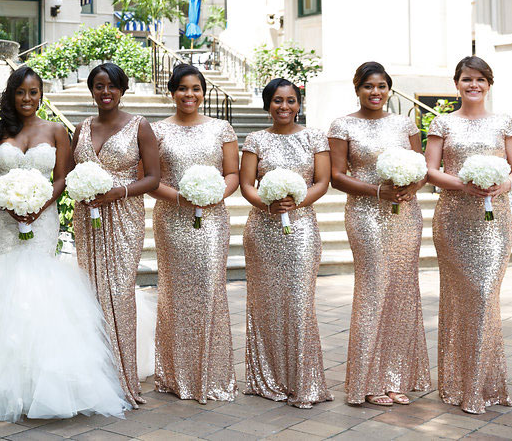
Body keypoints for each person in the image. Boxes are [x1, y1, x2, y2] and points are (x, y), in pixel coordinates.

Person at [0, 66, 130, 421]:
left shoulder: (55, 131)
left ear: (41, 95)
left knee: (40, 287)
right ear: (11, 94)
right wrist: (6, 201)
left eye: (33, 93)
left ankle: (43, 387)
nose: (27, 99)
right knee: (0, 287)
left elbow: (62, 178)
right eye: (20, 92)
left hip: (43, 217)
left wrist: (38, 206)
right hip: (1, 221)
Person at [425, 56, 512, 414]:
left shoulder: (504, 123)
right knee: (457, 300)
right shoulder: (442, 123)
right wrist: (464, 186)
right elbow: (430, 171)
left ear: (488, 84)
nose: (474, 85)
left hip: (493, 221)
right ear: (457, 84)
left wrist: (502, 186)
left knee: (485, 296)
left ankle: (482, 385)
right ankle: (456, 382)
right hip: (453, 219)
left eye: (481, 79)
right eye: (467, 79)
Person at [328, 61, 431, 407]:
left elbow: (421, 169)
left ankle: (394, 377)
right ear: (357, 88)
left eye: (382, 86)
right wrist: (376, 191)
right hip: (365, 213)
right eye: (368, 86)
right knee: (373, 290)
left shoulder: (405, 124)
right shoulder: (342, 125)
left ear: (389, 89)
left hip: (405, 213)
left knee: (402, 291)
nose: (376, 92)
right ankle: (367, 380)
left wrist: (408, 188)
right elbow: (337, 176)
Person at [70, 62, 161, 406]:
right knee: (90, 293)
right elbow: (69, 174)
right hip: (87, 217)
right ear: (91, 90)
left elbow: (153, 177)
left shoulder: (140, 126)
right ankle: (95, 379)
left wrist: (117, 192)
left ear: (122, 90)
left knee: (119, 293)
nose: (105, 92)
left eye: (111, 86)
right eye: (98, 86)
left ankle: (124, 381)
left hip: (124, 214)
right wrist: (82, 191)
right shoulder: (80, 129)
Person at [238, 78, 332, 408]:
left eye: (291, 100)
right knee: (266, 303)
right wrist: (267, 204)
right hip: (263, 230)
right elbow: (246, 184)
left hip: (302, 228)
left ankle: (303, 381)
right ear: (267, 104)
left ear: (299, 104)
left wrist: (298, 203)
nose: (284, 107)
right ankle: (268, 378)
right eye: (278, 100)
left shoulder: (314, 137)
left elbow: (323, 181)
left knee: (299, 301)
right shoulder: (255, 139)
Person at [150, 64, 239, 404]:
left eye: (196, 88)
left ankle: (212, 374)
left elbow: (231, 172)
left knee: (210, 289)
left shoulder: (221, 128)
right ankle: (175, 375)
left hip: (213, 220)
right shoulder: (156, 130)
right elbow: (151, 178)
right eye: (182, 89)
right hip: (171, 219)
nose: (189, 95)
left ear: (203, 92)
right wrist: (180, 197)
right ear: (172, 92)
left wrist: (215, 194)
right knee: (174, 292)